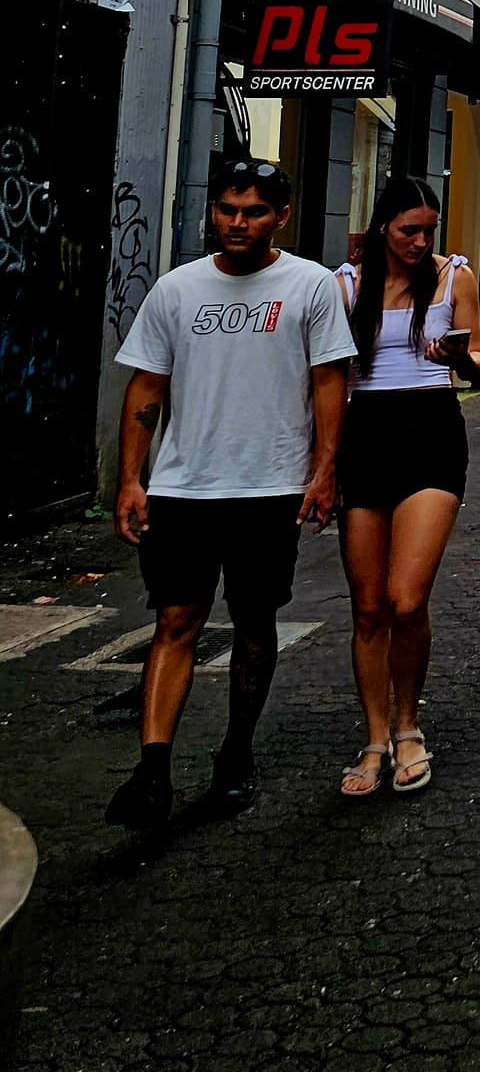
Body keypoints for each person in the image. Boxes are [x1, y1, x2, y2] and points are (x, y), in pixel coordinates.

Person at [106, 158, 354, 828]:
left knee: (253, 621)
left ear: (281, 216)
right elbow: (146, 386)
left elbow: (330, 381)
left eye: (252, 212)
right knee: (175, 620)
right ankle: (151, 770)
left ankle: (236, 751)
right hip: (183, 488)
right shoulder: (177, 289)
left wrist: (324, 471)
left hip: (269, 486)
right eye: (226, 209)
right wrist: (131, 478)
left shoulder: (310, 285)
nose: (236, 223)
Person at [334, 176, 480, 799]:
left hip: (431, 434)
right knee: (368, 607)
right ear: (382, 228)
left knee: (405, 598)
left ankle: (408, 724)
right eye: (408, 231)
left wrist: (457, 357)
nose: (421, 242)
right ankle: (376, 738)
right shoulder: (346, 285)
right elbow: (328, 376)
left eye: (429, 230)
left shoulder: (455, 278)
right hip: (365, 435)